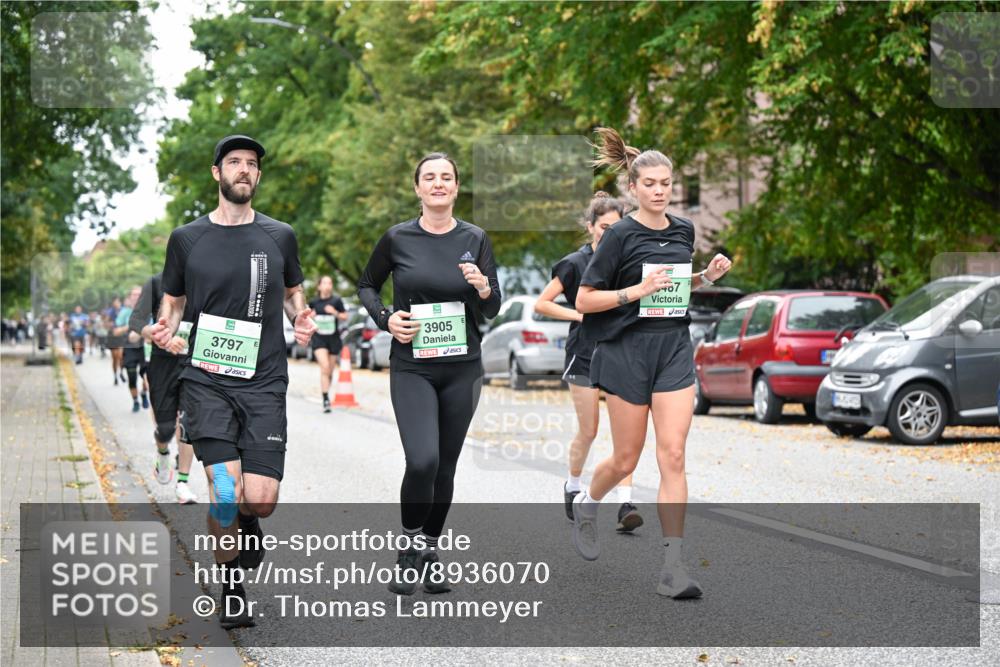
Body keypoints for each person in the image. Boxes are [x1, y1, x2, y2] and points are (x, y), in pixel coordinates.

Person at [150, 134, 316, 629]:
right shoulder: (186, 238)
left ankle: (248, 522)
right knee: (224, 490)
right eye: (234, 162)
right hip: (206, 382)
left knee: (259, 500)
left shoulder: (280, 235)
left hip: (264, 382)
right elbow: (173, 302)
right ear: (217, 172)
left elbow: (293, 292)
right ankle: (232, 589)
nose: (244, 169)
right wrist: (165, 328)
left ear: (258, 175)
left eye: (251, 164)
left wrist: (301, 317)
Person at [572, 128, 733, 599]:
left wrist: (705, 277)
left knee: (673, 455)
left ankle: (672, 567)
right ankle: (587, 503)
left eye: (666, 183)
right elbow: (585, 299)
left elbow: (675, 287)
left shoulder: (684, 230)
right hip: (627, 350)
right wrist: (634, 292)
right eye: (650, 184)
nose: (659, 191)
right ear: (633, 187)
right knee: (626, 458)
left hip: (673, 348)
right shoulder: (619, 235)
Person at [358, 152, 501, 595]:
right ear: (417, 188)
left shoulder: (475, 238)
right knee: (423, 460)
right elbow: (367, 285)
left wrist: (483, 287)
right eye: (430, 177)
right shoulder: (397, 238)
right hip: (413, 367)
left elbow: (492, 308)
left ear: (456, 187)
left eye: (446, 177)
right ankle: (407, 549)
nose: (438, 183)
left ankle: (429, 551)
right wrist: (386, 319)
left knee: (445, 467)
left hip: (463, 368)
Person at [534, 192, 643, 532]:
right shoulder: (574, 263)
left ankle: (626, 503)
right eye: (603, 227)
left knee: (626, 434)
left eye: (615, 228)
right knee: (590, 430)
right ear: (590, 226)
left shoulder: (626, 261)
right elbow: (542, 303)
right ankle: (573, 485)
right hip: (583, 354)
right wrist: (580, 315)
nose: (608, 234)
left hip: (620, 351)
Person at [130, 272, 198, 504]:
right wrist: (155, 334)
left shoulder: (207, 279)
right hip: (162, 364)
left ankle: (183, 483)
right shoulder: (157, 283)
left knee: (189, 423)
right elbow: (136, 321)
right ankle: (162, 452)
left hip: (194, 363)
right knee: (166, 428)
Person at [309, 275, 348, 412]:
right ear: (319, 286)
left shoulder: (336, 301)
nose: (327, 286)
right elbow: (306, 318)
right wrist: (311, 316)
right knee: (324, 367)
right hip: (319, 339)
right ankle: (325, 399)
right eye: (325, 283)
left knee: (330, 371)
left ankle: (326, 394)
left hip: (333, 339)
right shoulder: (314, 302)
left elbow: (345, 316)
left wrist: (335, 312)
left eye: (330, 283)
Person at [119, 285, 150, 413]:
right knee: (132, 378)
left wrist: (142, 332)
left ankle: (144, 393)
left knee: (148, 377)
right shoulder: (124, 313)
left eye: (139, 294)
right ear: (130, 297)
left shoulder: (149, 311)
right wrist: (130, 326)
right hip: (129, 349)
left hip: (144, 348)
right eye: (134, 294)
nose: (137, 296)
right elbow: (116, 331)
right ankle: (135, 401)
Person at [106, 297, 127, 385]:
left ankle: (121, 372)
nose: (116, 303)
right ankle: (115, 376)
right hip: (113, 336)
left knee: (120, 356)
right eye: (115, 302)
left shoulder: (124, 310)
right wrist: (110, 324)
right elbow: (106, 323)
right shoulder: (110, 312)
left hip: (121, 335)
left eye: (117, 302)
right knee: (114, 358)